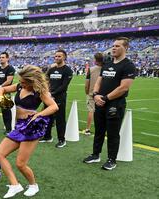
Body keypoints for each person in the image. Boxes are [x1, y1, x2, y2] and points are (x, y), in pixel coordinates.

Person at [0, 65, 58, 198]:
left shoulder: (39, 91)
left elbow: (54, 107)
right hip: (19, 126)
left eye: (24, 82)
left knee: (20, 164)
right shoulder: (19, 86)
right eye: (21, 82)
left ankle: (33, 185)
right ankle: (15, 185)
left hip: (31, 128)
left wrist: (39, 114)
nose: (21, 84)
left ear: (32, 81)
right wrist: (0, 96)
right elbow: (3, 88)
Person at [83, 37, 137, 170]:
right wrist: (95, 95)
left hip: (115, 104)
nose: (114, 48)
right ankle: (96, 154)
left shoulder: (128, 65)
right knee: (99, 131)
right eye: (113, 45)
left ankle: (112, 159)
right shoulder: (107, 63)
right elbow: (99, 81)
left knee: (113, 133)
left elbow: (123, 87)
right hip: (100, 101)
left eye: (118, 46)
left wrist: (105, 98)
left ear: (126, 48)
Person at [41, 49, 73, 148]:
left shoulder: (67, 70)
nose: (57, 58)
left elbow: (64, 86)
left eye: (59, 56)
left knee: (60, 119)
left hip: (59, 97)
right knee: (47, 117)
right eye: (56, 56)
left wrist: (52, 93)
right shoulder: (51, 69)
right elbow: (45, 81)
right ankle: (47, 136)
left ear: (64, 57)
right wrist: (47, 92)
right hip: (49, 97)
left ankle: (61, 140)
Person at [0, 52, 15, 133]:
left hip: (5, 92)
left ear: (7, 58)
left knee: (6, 111)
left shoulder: (10, 68)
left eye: (3, 57)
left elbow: (9, 81)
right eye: (0, 57)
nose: (1, 59)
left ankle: (8, 129)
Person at [84, 53, 104, 135]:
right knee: (101, 112)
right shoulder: (105, 69)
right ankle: (101, 129)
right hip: (102, 94)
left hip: (92, 93)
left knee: (91, 111)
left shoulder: (91, 69)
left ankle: (88, 129)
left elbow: (87, 83)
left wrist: (87, 92)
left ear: (95, 60)